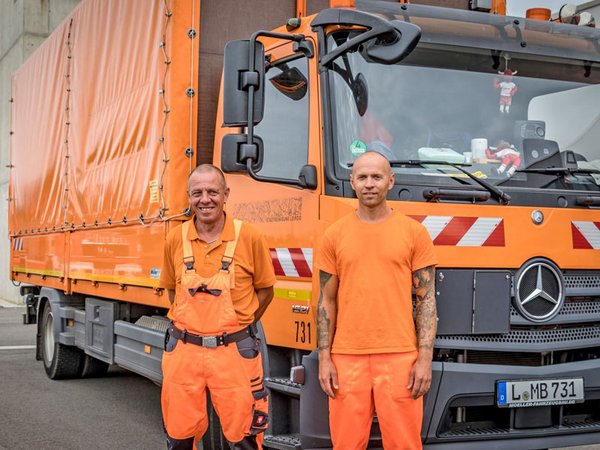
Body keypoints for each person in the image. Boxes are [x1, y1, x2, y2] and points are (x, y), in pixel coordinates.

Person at [316, 151, 438, 450]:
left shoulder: (414, 233)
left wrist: (424, 359)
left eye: (377, 177)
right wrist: (324, 358)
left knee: (404, 445)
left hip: (400, 357)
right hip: (346, 358)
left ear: (390, 181)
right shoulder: (333, 235)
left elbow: (427, 301)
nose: (369, 184)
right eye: (362, 177)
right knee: (345, 445)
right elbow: (325, 301)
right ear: (352, 182)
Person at [159, 164, 276, 449]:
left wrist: (239, 322)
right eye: (197, 193)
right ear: (189, 197)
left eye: (212, 191)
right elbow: (173, 291)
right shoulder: (176, 238)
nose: (205, 199)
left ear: (226, 194)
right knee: (179, 436)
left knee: (244, 437)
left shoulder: (249, 237)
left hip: (234, 355)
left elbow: (266, 291)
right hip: (183, 354)